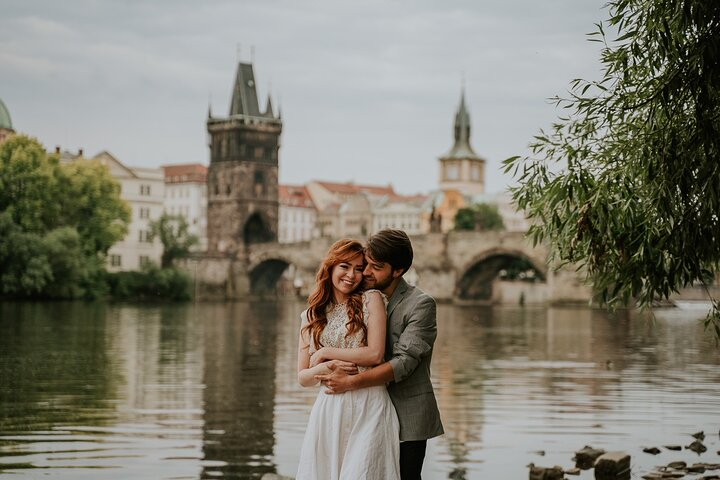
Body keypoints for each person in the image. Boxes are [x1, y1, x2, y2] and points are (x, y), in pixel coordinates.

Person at [316, 229, 444, 480]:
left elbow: (404, 363)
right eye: (366, 264)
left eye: (376, 267)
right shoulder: (358, 295)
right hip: (363, 409)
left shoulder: (421, 304)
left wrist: (350, 382)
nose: (365, 272)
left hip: (407, 412)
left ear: (398, 271)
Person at [296, 238, 401, 480]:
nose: (351, 275)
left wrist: (324, 353)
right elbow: (303, 377)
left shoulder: (371, 299)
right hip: (329, 407)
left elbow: (375, 354)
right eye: (344, 266)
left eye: (358, 268)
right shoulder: (311, 315)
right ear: (331, 267)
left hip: (368, 403)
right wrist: (324, 367)